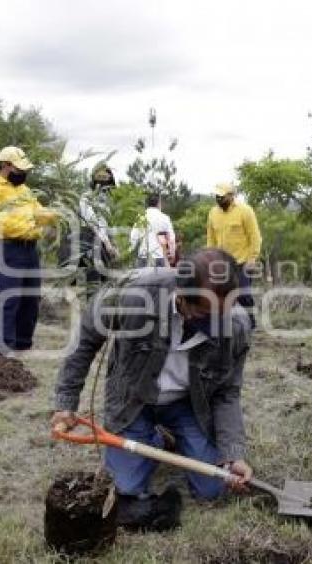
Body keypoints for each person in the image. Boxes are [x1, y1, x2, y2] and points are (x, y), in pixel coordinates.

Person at [52, 248, 254, 531]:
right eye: (206, 314)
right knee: (125, 488)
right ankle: (153, 439)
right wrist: (66, 401)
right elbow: (84, 341)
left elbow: (227, 392)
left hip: (187, 404)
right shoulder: (133, 294)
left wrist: (234, 453)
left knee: (214, 489)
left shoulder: (236, 324)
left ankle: (173, 435)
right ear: (182, 296)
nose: (219, 323)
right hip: (133, 401)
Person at [0, 146, 58, 355]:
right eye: (19, 169)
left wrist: (56, 213)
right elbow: (1, 224)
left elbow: (38, 211)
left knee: (31, 296)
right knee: (10, 296)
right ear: (5, 166)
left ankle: (23, 342)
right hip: (7, 248)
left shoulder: (25, 191)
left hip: (30, 249)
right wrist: (34, 227)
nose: (23, 173)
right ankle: (0, 346)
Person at [206, 182, 262, 326]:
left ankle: (250, 323)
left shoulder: (245, 211)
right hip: (221, 263)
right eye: (217, 196)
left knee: (243, 295)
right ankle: (228, 324)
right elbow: (211, 239)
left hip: (242, 261)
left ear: (231, 196)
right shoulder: (213, 213)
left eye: (222, 197)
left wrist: (253, 258)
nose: (218, 199)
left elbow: (255, 237)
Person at [59, 165, 118, 296]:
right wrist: (107, 243)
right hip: (89, 240)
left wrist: (113, 243)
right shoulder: (86, 197)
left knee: (106, 279)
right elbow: (92, 222)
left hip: (103, 241)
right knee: (93, 278)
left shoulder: (106, 201)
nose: (105, 188)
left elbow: (107, 224)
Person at [130, 192, 176, 268]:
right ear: (158, 203)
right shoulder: (164, 218)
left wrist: (132, 252)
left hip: (143, 257)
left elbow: (133, 238)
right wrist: (172, 254)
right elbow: (171, 239)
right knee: (162, 280)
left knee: (143, 280)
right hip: (159, 257)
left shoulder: (141, 217)